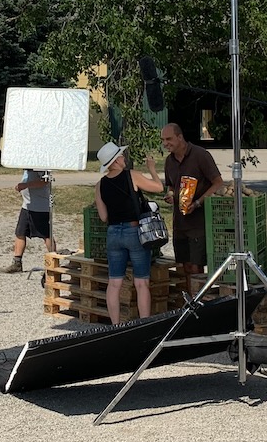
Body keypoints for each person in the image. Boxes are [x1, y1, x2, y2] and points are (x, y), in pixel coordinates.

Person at [93, 142, 163, 324]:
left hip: (113, 233)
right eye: (121, 155)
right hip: (134, 231)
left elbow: (103, 216)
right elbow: (158, 187)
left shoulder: (100, 185)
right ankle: (144, 323)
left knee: (114, 283)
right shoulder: (132, 176)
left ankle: (115, 325)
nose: (124, 158)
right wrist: (152, 169)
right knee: (141, 282)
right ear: (116, 161)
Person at [159, 123, 223, 295]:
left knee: (196, 267)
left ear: (180, 137)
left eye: (169, 139)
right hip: (179, 222)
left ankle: (201, 300)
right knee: (185, 266)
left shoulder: (200, 155)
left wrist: (198, 202)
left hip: (198, 221)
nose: (165, 143)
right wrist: (170, 195)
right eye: (163, 140)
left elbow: (218, 182)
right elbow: (171, 186)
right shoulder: (169, 161)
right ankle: (191, 302)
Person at [0, 169, 56, 273]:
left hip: (40, 207)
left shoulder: (40, 166)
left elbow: (44, 181)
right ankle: (17, 263)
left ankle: (54, 261)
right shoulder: (28, 167)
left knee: (46, 235)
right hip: (26, 206)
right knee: (20, 233)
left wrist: (25, 185)